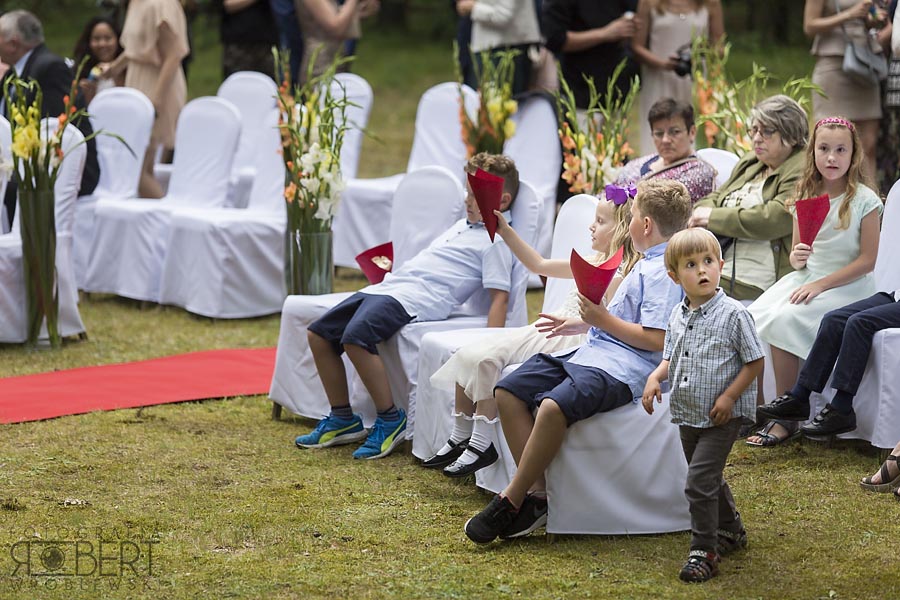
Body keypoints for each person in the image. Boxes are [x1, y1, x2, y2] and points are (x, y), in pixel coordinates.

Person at [463, 179, 691, 544]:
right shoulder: (639, 263)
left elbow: (658, 340)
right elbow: (617, 318)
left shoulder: (662, 273)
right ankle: (537, 496)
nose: (627, 221)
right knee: (507, 390)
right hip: (590, 353)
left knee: (552, 407)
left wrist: (600, 320)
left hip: (627, 369)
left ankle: (511, 497)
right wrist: (587, 321)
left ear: (645, 225)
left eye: (631, 215)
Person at [294, 153, 518, 460]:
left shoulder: (496, 241)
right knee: (320, 334)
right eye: (467, 192)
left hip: (418, 298)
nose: (467, 200)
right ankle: (343, 418)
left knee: (355, 337)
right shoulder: (461, 227)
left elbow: (500, 297)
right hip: (391, 287)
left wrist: (490, 349)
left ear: (502, 201)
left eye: (475, 195)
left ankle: (389, 419)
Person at [424, 192, 640, 477]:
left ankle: (481, 442)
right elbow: (538, 265)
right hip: (548, 329)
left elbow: (604, 322)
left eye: (600, 222)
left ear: (622, 228)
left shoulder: (618, 275)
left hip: (566, 336)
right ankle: (460, 434)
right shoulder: (594, 259)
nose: (591, 227)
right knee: (471, 351)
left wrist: (578, 322)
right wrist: (506, 230)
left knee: (489, 357)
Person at [747, 117, 882, 446]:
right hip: (807, 276)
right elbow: (796, 252)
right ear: (813, 153)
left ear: (853, 156)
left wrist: (820, 285)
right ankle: (758, 407)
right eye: (824, 149)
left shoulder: (864, 201)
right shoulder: (806, 194)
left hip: (848, 284)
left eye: (840, 150)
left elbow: (868, 261)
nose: (832, 158)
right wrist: (797, 259)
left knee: (785, 318)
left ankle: (787, 415)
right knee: (750, 316)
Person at [643, 228, 764, 583]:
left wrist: (729, 397)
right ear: (674, 275)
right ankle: (732, 530)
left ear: (720, 265)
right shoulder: (677, 315)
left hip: (720, 416)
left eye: (708, 262)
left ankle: (704, 552)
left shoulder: (733, 314)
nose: (702, 271)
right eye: (691, 264)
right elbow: (671, 357)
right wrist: (655, 377)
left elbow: (754, 362)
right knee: (707, 477)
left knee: (698, 482)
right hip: (687, 413)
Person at [689, 95, 809, 302]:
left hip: (756, 274)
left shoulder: (802, 167)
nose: (756, 138)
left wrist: (712, 217)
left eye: (767, 131)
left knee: (675, 283)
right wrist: (705, 212)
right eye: (753, 130)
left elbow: (776, 217)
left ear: (791, 134)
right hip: (721, 263)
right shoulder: (752, 161)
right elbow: (715, 197)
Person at [0, 10, 100, 230]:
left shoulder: (50, 69)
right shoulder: (12, 73)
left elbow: (53, 130)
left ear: (13, 43)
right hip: (25, 165)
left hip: (64, 172)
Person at [100, 0, 190, 199]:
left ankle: (165, 220)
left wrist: (155, 102)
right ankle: (156, 221)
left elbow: (173, 55)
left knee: (136, 170)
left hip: (158, 88)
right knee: (143, 166)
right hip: (139, 85)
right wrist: (114, 68)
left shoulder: (162, 4)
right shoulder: (134, 3)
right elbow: (136, 48)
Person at [804, 0, 891, 182]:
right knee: (828, 141)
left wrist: (874, 18)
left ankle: (869, 204)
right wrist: (849, 14)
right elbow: (810, 26)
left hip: (865, 65)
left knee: (869, 145)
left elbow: (869, 21)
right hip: (833, 64)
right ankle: (827, 201)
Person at [631, 0, 724, 154]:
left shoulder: (710, 3)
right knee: (658, 132)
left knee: (695, 133)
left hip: (694, 81)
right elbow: (636, 46)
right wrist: (663, 63)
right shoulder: (649, 3)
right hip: (658, 79)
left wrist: (698, 54)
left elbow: (720, 47)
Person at [541, 0, 639, 112]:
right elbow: (555, 39)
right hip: (580, 88)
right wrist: (604, 33)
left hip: (616, 88)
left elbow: (633, 11)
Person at [614, 97, 716, 201]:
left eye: (674, 132)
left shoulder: (698, 173)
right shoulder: (638, 164)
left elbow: (657, 205)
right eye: (659, 134)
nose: (665, 140)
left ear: (692, 132)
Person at [454, 0, 541, 95]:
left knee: (502, 103)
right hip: (489, 47)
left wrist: (473, 7)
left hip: (505, 49)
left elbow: (503, 15)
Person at [295, 0, 380, 84]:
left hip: (336, 58)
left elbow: (339, 18)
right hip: (320, 65)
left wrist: (362, 8)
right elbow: (336, 27)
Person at [215, 0, 278, 79]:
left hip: (266, 40)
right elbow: (227, 5)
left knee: (268, 85)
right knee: (237, 84)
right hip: (238, 42)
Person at [73, 16, 125, 105]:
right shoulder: (80, 72)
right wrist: (82, 94)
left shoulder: (128, 69)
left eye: (108, 38)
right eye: (96, 39)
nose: (102, 44)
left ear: (118, 40)